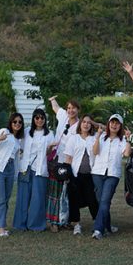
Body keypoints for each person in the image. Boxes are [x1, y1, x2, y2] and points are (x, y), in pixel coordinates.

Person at [91, 114, 132, 240]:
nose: (114, 125)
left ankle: (98, 229)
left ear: (120, 126)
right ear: (108, 124)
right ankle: (107, 226)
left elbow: (126, 154)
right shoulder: (101, 137)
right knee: (101, 202)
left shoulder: (122, 140)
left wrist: (128, 139)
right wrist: (97, 137)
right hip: (98, 173)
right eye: (112, 122)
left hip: (113, 174)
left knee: (105, 201)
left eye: (117, 123)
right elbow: (95, 152)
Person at [13, 108, 55, 231]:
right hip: (25, 168)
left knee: (38, 198)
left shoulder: (49, 134)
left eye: (42, 117)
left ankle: (35, 225)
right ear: (33, 119)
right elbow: (18, 145)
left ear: (45, 119)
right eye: (37, 117)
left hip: (40, 169)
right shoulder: (26, 131)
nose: (39, 120)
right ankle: (20, 224)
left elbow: (50, 154)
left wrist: (49, 149)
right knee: (23, 197)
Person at [0, 112, 25, 237]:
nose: (17, 124)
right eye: (15, 121)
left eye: (20, 122)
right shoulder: (3, 132)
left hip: (10, 168)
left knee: (6, 199)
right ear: (11, 122)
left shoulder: (18, 140)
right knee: (0, 199)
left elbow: (16, 158)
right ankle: (1, 228)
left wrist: (17, 172)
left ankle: (1, 224)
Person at [46, 99, 80, 233]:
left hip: (69, 162)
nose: (71, 110)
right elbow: (55, 107)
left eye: (74, 108)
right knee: (54, 193)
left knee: (66, 193)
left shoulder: (79, 125)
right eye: (69, 108)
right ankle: (54, 221)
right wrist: (52, 100)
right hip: (56, 160)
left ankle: (65, 220)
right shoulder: (63, 116)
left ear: (78, 110)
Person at [64, 114, 98, 235]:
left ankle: (97, 222)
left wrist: (95, 124)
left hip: (90, 174)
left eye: (89, 122)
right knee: (74, 199)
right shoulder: (74, 138)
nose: (86, 124)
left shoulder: (95, 138)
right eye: (84, 122)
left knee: (92, 199)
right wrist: (69, 176)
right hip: (75, 174)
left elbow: (105, 129)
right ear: (80, 124)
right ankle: (76, 224)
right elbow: (68, 158)